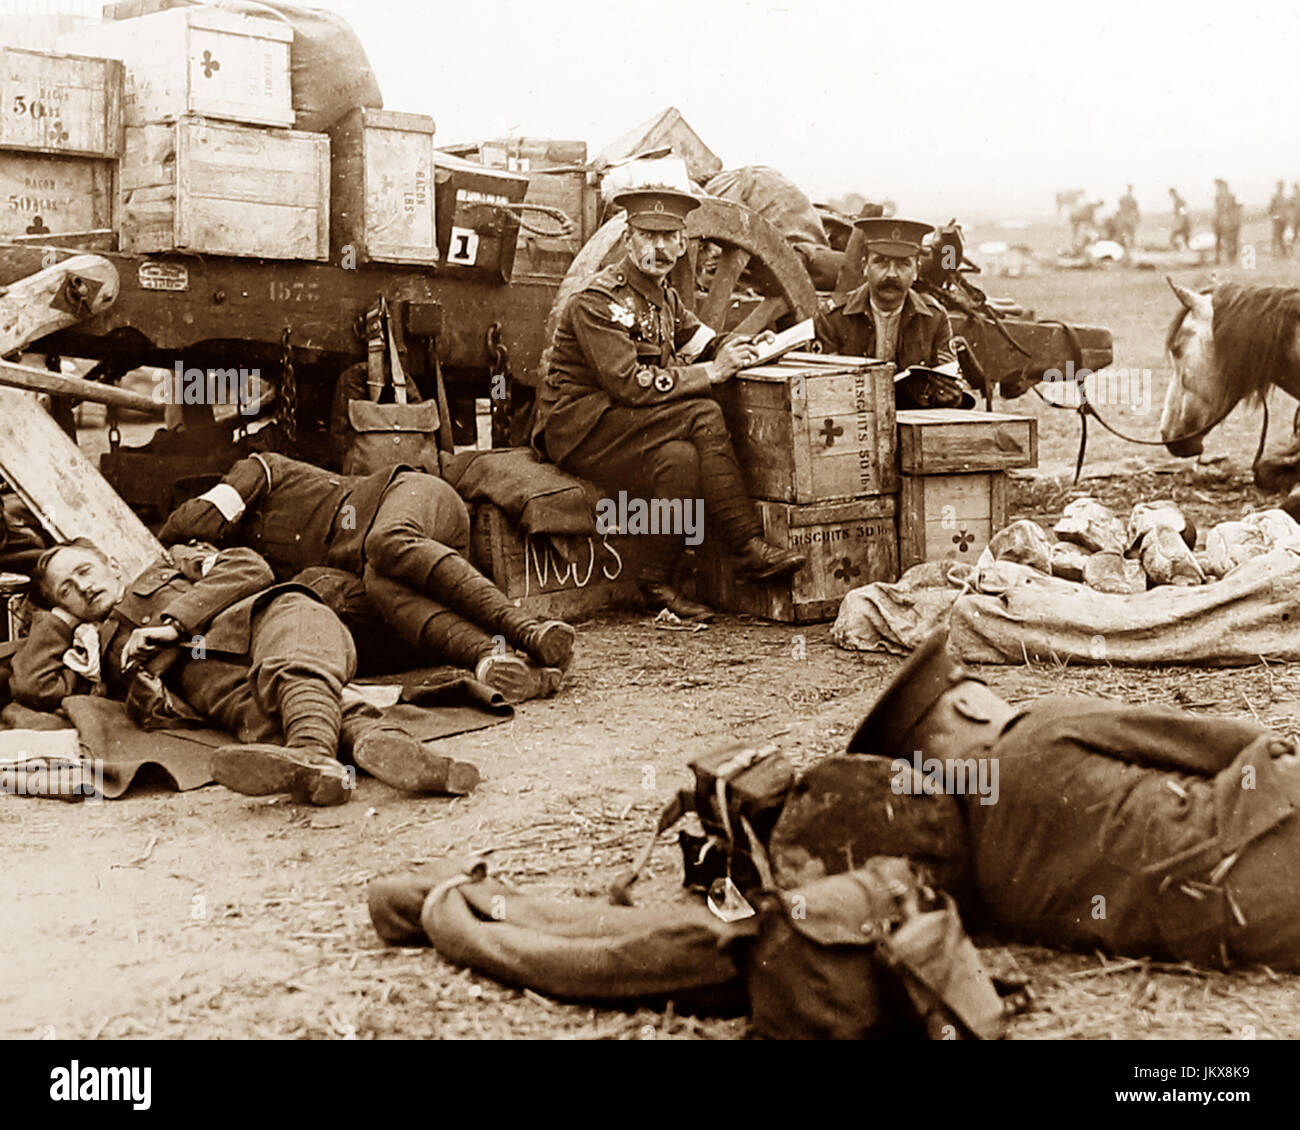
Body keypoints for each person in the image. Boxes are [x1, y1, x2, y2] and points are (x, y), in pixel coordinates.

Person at [844, 629, 1300, 971]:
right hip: (1273, 845)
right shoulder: (1039, 732)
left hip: (1247, 933)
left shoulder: (984, 882)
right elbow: (1222, 741)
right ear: (971, 709)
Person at [10, 539, 479, 805]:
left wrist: (174, 624)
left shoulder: (170, 562)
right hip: (210, 680)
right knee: (270, 712)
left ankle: (314, 755)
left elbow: (248, 565)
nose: (84, 587)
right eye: (68, 589)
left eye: (86, 571)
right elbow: (35, 687)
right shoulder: (96, 651)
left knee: (294, 650)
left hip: (264, 618)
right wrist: (61, 622)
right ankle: (393, 753)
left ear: (111, 563)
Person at [530, 186, 806, 621]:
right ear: (628, 239)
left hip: (627, 428)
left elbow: (702, 342)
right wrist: (711, 374)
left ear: (682, 244)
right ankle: (746, 546)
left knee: (679, 460)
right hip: (581, 430)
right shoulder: (598, 301)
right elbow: (628, 385)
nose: (657, 248)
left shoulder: (665, 298)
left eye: (668, 237)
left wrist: (742, 344)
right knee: (703, 411)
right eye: (647, 235)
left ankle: (656, 580)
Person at [159, 453, 574, 704]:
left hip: (415, 499)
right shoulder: (251, 567)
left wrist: (181, 549)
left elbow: (195, 520)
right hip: (402, 572)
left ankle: (529, 630)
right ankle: (494, 660)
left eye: (204, 545)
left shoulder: (259, 469)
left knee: (385, 542)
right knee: (377, 582)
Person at [813, 216, 968, 409]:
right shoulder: (832, 318)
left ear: (916, 271)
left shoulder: (935, 318)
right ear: (865, 266)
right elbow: (820, 392)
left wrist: (951, 396)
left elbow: (948, 382)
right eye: (881, 262)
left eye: (903, 264)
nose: (892, 274)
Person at [1214, 179, 1241, 266]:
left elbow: (1234, 208)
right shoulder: (1218, 197)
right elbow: (1218, 209)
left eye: (1220, 187)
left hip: (1230, 221)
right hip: (1221, 220)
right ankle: (1218, 258)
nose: (1219, 189)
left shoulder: (1230, 197)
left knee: (1231, 240)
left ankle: (1231, 258)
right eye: (1218, 187)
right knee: (1219, 240)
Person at [1270, 180, 1290, 259]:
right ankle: (1278, 252)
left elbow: (1270, 209)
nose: (1280, 188)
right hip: (1280, 219)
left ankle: (1279, 252)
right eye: (1280, 186)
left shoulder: (1281, 197)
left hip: (1281, 219)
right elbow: (1271, 208)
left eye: (1280, 186)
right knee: (1278, 236)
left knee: (1279, 236)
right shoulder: (1279, 197)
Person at [1116, 185, 1140, 250]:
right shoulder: (1131, 199)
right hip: (1127, 219)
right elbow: (1136, 210)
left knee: (1128, 233)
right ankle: (1126, 247)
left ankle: (1127, 247)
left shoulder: (1125, 199)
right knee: (1127, 233)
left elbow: (1135, 210)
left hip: (1126, 218)